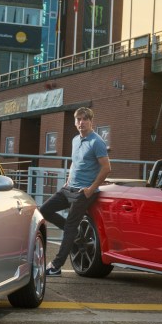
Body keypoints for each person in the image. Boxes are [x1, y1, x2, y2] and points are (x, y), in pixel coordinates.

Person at [40, 107, 111, 276]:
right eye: (78, 119)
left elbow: (107, 168)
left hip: (83, 192)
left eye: (85, 119)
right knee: (44, 210)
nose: (81, 122)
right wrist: (67, 180)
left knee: (71, 224)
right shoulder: (74, 140)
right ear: (75, 122)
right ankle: (76, 234)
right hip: (69, 188)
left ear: (91, 121)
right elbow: (75, 162)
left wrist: (91, 189)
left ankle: (56, 266)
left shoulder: (97, 142)